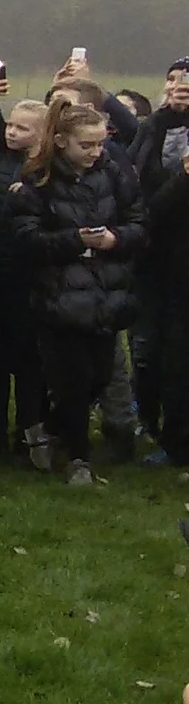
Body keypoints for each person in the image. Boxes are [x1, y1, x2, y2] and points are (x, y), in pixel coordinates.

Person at [11, 90, 147, 485]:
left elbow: (139, 220)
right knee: (72, 380)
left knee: (101, 377)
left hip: (106, 293)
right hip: (59, 296)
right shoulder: (36, 181)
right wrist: (75, 241)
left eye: (100, 143)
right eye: (86, 145)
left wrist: (116, 239)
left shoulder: (114, 174)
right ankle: (78, 459)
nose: (95, 152)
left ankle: (48, 429)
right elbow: (24, 238)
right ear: (60, 142)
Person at [0, 99, 50, 466]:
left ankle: (28, 434)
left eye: (23, 128)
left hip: (27, 278)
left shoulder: (43, 175)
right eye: (10, 124)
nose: (11, 132)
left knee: (27, 364)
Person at [131, 59, 189, 466]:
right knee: (149, 347)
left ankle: (178, 442)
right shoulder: (153, 129)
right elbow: (141, 197)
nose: (178, 86)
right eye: (171, 78)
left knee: (179, 351)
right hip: (153, 256)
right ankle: (149, 423)